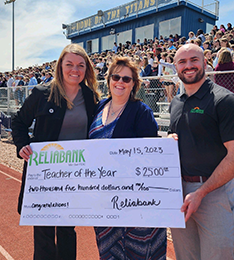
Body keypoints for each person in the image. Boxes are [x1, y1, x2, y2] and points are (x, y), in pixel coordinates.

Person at [11, 44, 99, 260]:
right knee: (43, 230)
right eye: (69, 64)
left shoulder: (91, 97)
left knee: (67, 229)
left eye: (80, 65)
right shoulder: (42, 94)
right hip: (44, 176)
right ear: (60, 66)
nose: (75, 70)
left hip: (74, 176)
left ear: (86, 69)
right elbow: (18, 122)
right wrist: (22, 144)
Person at [169, 44, 234, 260]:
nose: (188, 66)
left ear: (205, 63)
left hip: (214, 192)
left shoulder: (226, 101)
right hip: (179, 192)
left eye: (194, 60)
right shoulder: (176, 102)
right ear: (175, 67)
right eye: (182, 62)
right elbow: (175, 139)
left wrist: (201, 192)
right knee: (185, 257)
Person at [89, 56, 167, 260]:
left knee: (139, 252)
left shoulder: (142, 111)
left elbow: (151, 156)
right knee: (109, 251)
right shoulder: (99, 107)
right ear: (109, 79)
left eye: (127, 79)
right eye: (116, 77)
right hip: (104, 198)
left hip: (135, 198)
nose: (120, 82)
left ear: (134, 84)